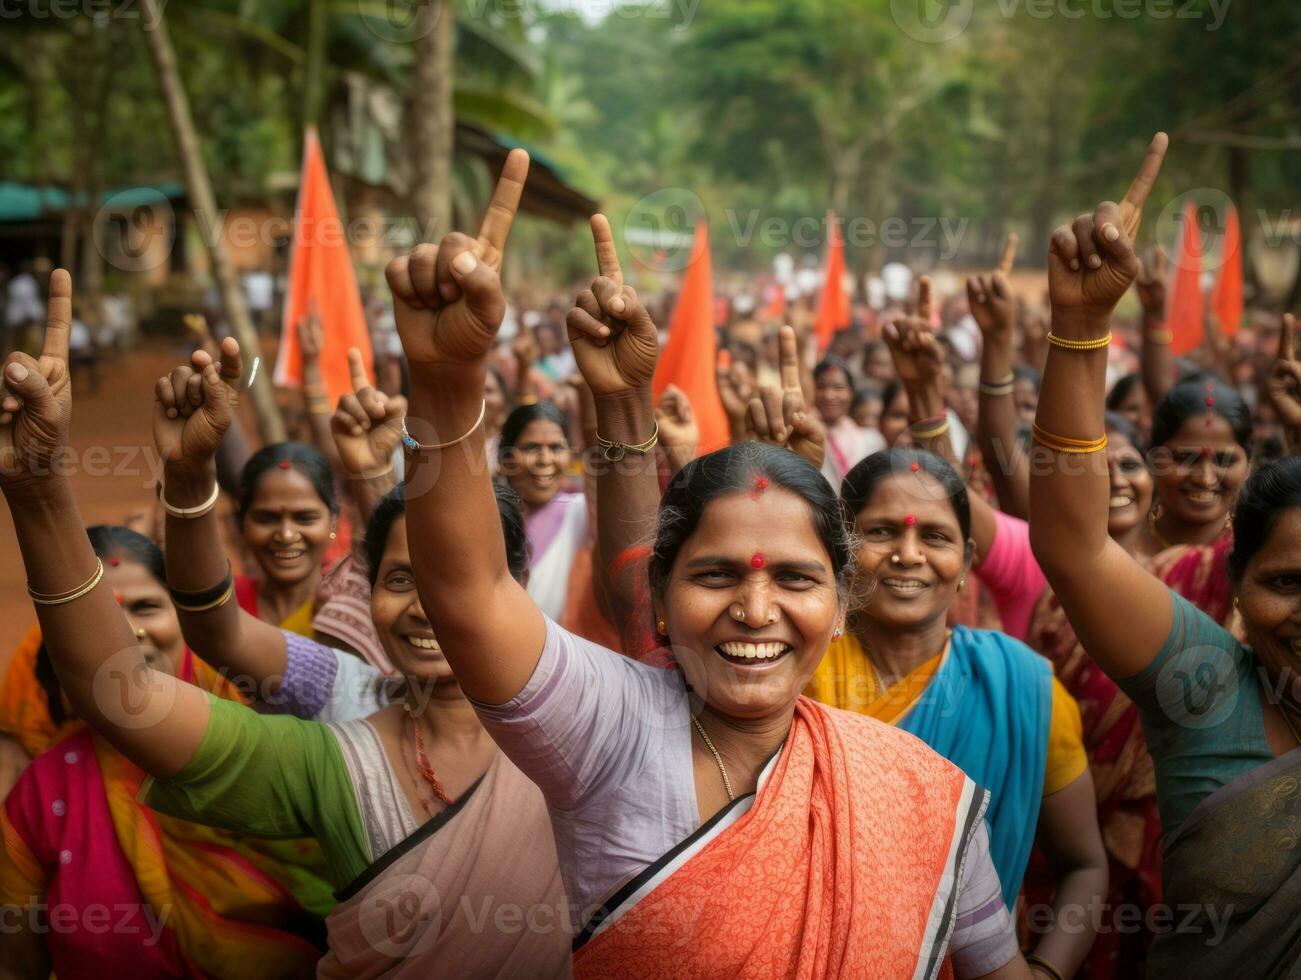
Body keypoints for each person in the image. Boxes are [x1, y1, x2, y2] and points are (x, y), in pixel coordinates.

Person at [387, 158, 1030, 976]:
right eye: (716, 575)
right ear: (657, 597)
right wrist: (445, 384)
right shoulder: (606, 731)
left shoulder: (919, 795)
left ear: (841, 604)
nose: (755, 609)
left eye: (795, 579)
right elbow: (469, 594)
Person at [0, 260, 573, 977]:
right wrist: (39, 490)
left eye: (459, 582)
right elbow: (132, 696)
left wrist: (603, 402)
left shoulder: (585, 723)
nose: (431, 604)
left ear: (519, 585)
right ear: (366, 591)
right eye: (401, 579)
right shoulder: (341, 732)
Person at [1031, 133, 1301, 974]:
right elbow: (1074, 545)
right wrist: (1079, 327)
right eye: (1287, 582)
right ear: (1234, 577)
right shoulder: (1210, 691)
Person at [794, 285, 1105, 978]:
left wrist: (1045, 972)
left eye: (934, 536)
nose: (907, 555)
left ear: (967, 563)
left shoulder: (1022, 688)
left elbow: (1084, 865)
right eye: (880, 532)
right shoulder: (792, 669)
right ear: (843, 551)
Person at [0, 525, 332, 979]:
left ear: (185, 620)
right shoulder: (41, 796)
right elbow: (17, 963)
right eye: (102, 617)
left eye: (147, 607)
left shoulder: (267, 734)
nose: (128, 631)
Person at [231, 442, 340, 634]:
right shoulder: (224, 606)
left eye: (305, 518)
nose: (286, 535)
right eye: (266, 519)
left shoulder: (352, 603)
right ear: (242, 522)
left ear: (333, 522)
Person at [497, 401, 591, 621]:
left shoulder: (579, 512)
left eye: (556, 448)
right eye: (532, 448)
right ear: (506, 459)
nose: (545, 459)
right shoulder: (487, 516)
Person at [813, 353, 884, 488]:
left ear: (851, 392)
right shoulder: (805, 438)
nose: (829, 395)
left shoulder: (872, 440)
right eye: (821, 387)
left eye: (838, 388)